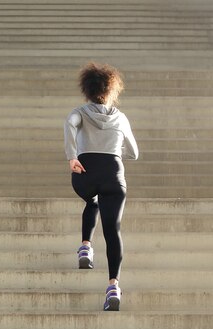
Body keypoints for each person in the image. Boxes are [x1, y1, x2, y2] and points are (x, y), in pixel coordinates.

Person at [64, 62, 139, 311]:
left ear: (87, 89)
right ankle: (113, 285)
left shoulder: (81, 112)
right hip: (113, 173)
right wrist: (115, 153)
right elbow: (134, 153)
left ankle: (85, 246)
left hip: (85, 171)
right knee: (112, 230)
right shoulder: (121, 117)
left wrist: (72, 155)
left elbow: (70, 123)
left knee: (92, 199)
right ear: (111, 91)